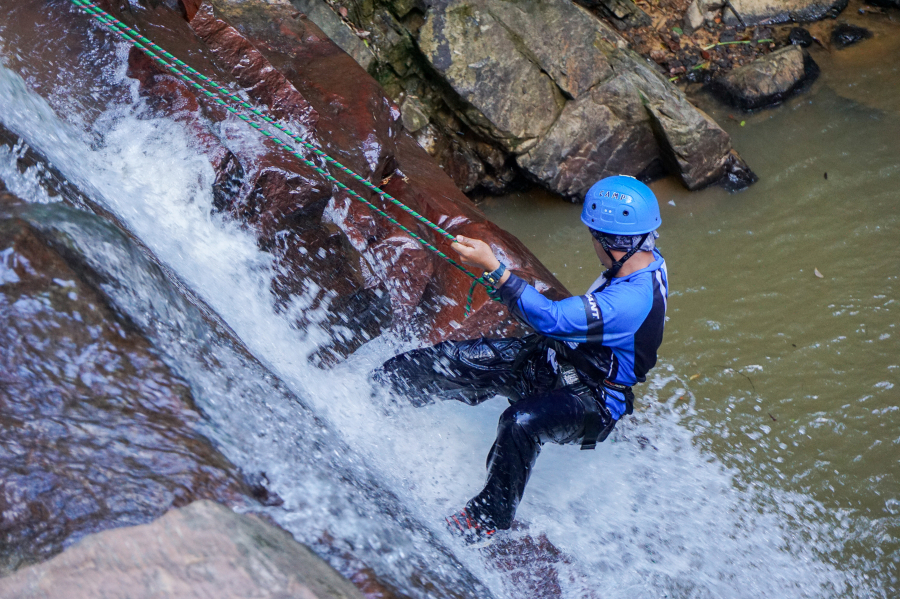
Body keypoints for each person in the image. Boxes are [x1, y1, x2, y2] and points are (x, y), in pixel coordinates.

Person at [374, 175, 669, 546]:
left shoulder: (631, 299)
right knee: (447, 362)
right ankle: (374, 401)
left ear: (605, 241)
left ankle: (488, 519)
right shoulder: (643, 262)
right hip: (551, 361)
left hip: (592, 399)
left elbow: (554, 319)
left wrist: (495, 270)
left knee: (520, 423)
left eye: (593, 234)